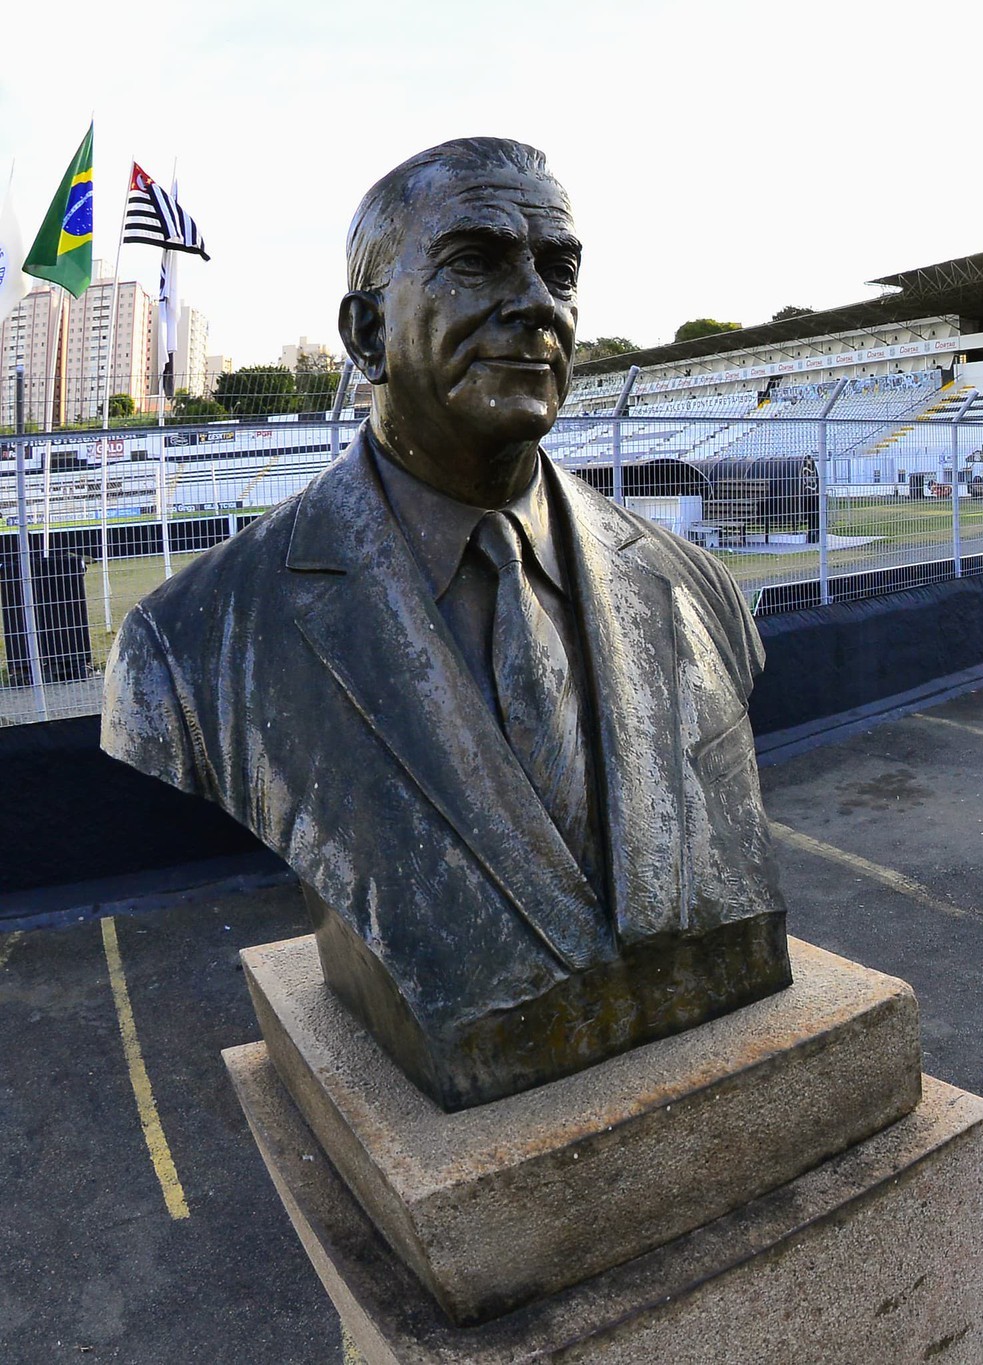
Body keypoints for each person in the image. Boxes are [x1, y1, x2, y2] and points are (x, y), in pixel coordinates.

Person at [100, 138, 791, 1112]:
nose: (537, 303)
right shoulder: (193, 642)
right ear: (367, 333)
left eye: (559, 270)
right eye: (476, 262)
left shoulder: (692, 585)